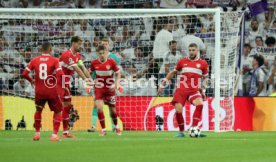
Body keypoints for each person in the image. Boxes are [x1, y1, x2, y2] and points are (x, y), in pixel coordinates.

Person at [158, 43, 208, 137]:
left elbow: (205, 78)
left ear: (197, 51)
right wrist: (163, 84)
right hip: (181, 89)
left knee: (200, 104)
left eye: (193, 50)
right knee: (178, 109)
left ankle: (194, 129)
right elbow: (172, 73)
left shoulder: (203, 64)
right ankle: (181, 132)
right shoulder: (182, 61)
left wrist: (204, 90)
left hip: (194, 90)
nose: (191, 52)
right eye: (190, 50)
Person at [22, 42, 64, 141]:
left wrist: (31, 80)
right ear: (50, 50)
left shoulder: (34, 60)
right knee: (58, 112)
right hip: (51, 91)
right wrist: (63, 85)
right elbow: (61, 74)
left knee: (38, 111)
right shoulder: (54, 60)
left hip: (39, 91)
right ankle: (54, 135)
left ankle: (37, 134)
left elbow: (24, 73)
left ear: (41, 50)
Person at [59, 36, 92, 138]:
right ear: (73, 43)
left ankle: (65, 132)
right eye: (79, 44)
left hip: (66, 83)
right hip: (58, 82)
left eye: (81, 44)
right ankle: (53, 132)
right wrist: (85, 80)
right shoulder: (67, 54)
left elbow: (83, 68)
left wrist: (90, 79)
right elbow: (77, 69)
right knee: (58, 107)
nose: (80, 46)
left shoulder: (77, 56)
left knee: (67, 106)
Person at [87, 37, 120, 132]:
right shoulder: (95, 59)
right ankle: (93, 126)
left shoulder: (114, 57)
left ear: (108, 46)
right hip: (99, 86)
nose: (105, 45)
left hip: (110, 86)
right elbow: (92, 72)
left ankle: (114, 126)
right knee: (97, 105)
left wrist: (115, 83)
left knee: (112, 107)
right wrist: (91, 82)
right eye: (103, 43)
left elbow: (117, 71)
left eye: (106, 44)